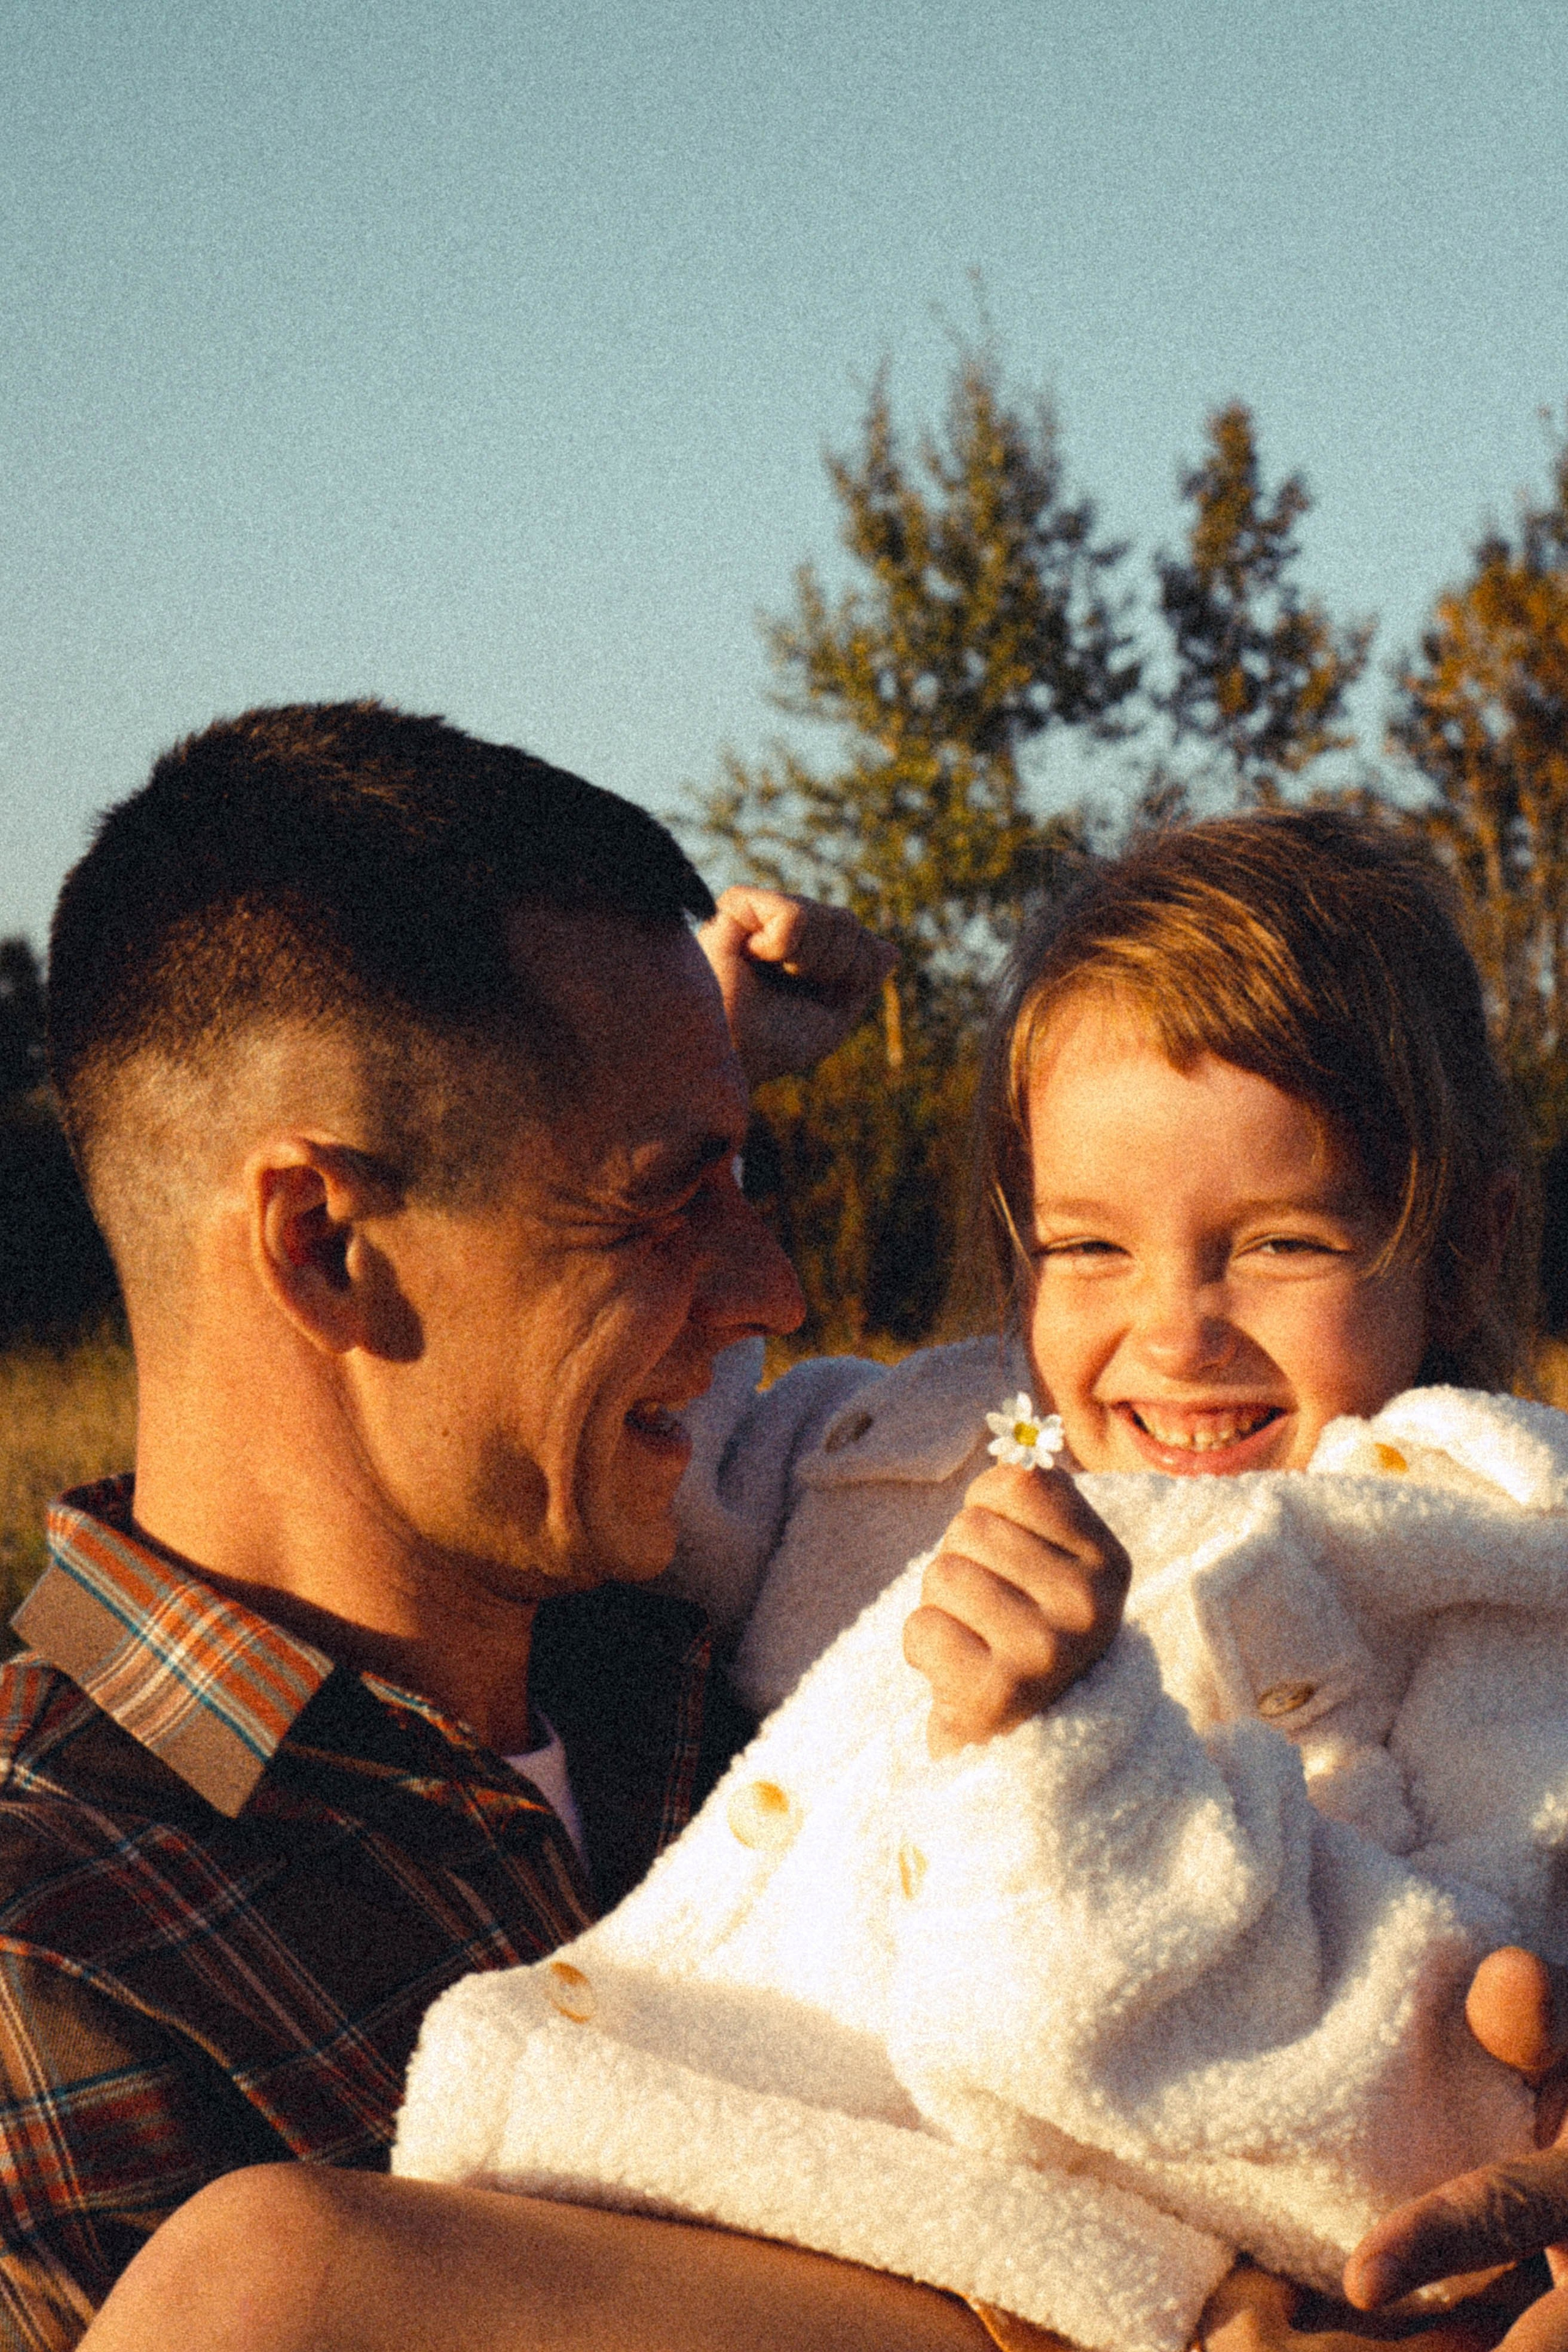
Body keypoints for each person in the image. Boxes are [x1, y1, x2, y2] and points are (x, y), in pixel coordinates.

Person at [70, 807, 1568, 2351]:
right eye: (1085, 1246)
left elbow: (1482, 2051)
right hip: (755, 2197)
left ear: (1453, 1252)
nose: (1173, 1333)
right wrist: (681, 1070)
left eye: (1278, 1245)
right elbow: (679, 1438)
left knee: (277, 2284)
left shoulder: (1480, 1556)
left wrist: (1066, 1751)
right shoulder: (931, 1458)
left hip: (1129, 2266)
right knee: (269, 2281)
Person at [0, 698, 1000, 2352]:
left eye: (741, 1181)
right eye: (667, 1196)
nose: (778, 1288)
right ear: (324, 1245)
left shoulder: (740, 1648)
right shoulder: (57, 1959)